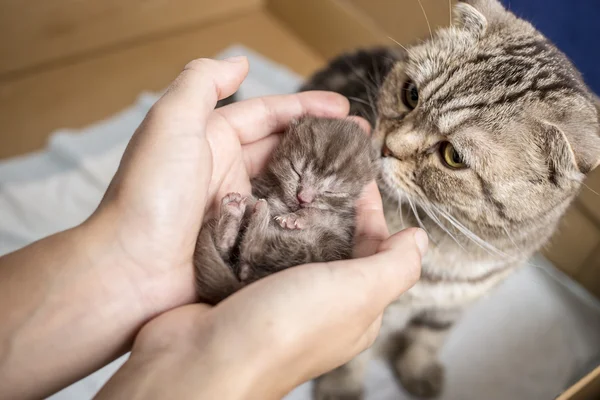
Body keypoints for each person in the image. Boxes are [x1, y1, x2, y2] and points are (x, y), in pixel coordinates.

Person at [0, 57, 427, 400]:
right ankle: (234, 241)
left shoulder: (336, 209)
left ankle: (238, 240)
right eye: (298, 172)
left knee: (317, 239)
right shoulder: (270, 175)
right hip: (238, 261)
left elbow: (321, 231)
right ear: (289, 142)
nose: (305, 196)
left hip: (275, 256)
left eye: (329, 192)